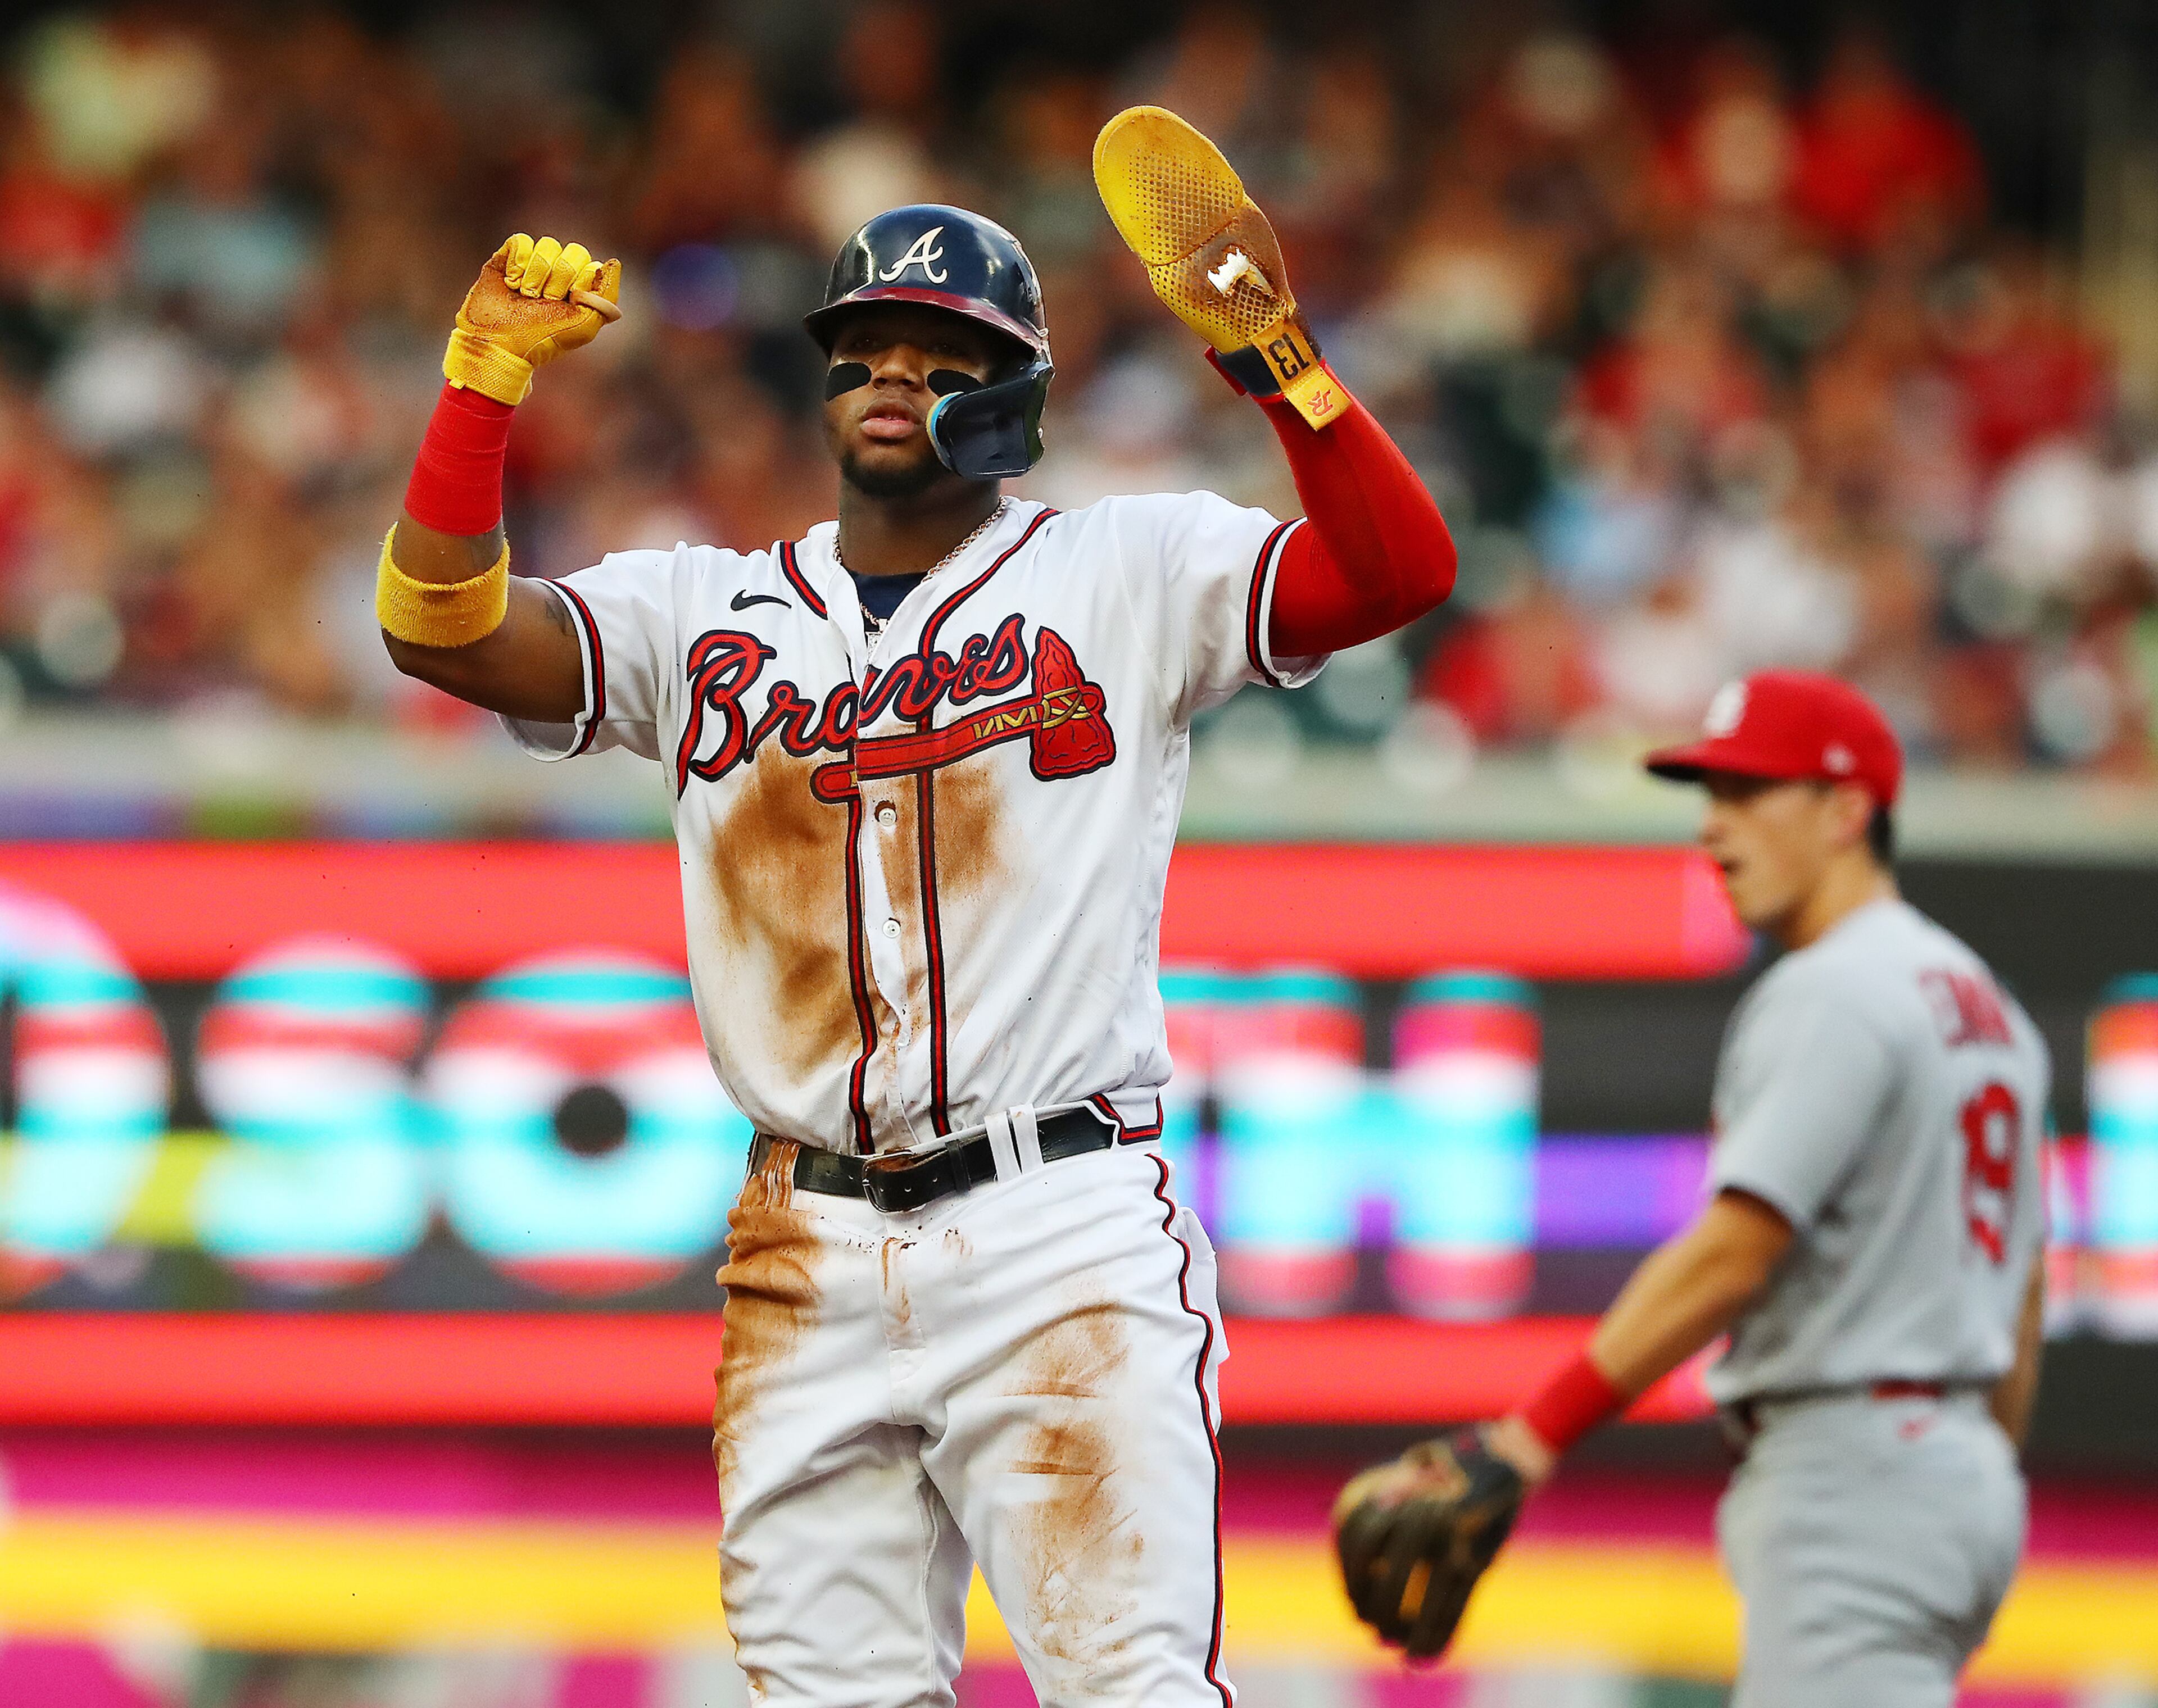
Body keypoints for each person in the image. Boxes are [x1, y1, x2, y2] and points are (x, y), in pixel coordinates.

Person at [378, 190, 1454, 1705]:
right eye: (867, 347)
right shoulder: (706, 611)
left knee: (1129, 1686)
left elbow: (1397, 575)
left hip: (1055, 1221)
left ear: (1016, 390)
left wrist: (1281, 365)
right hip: (802, 1243)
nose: (895, 377)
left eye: (942, 354)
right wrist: (481, 391)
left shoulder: (1127, 572)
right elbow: (440, 629)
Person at [1337, 670, 2050, 1706]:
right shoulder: (1988, 1007)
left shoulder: (1834, 988)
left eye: (1749, 795)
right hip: (1957, 1469)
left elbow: (1735, 1250)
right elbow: (2022, 1286)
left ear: (1849, 811)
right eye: (1710, 798)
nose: (1714, 830)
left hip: (1855, 1469)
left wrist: (1529, 1436)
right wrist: (1971, 1474)